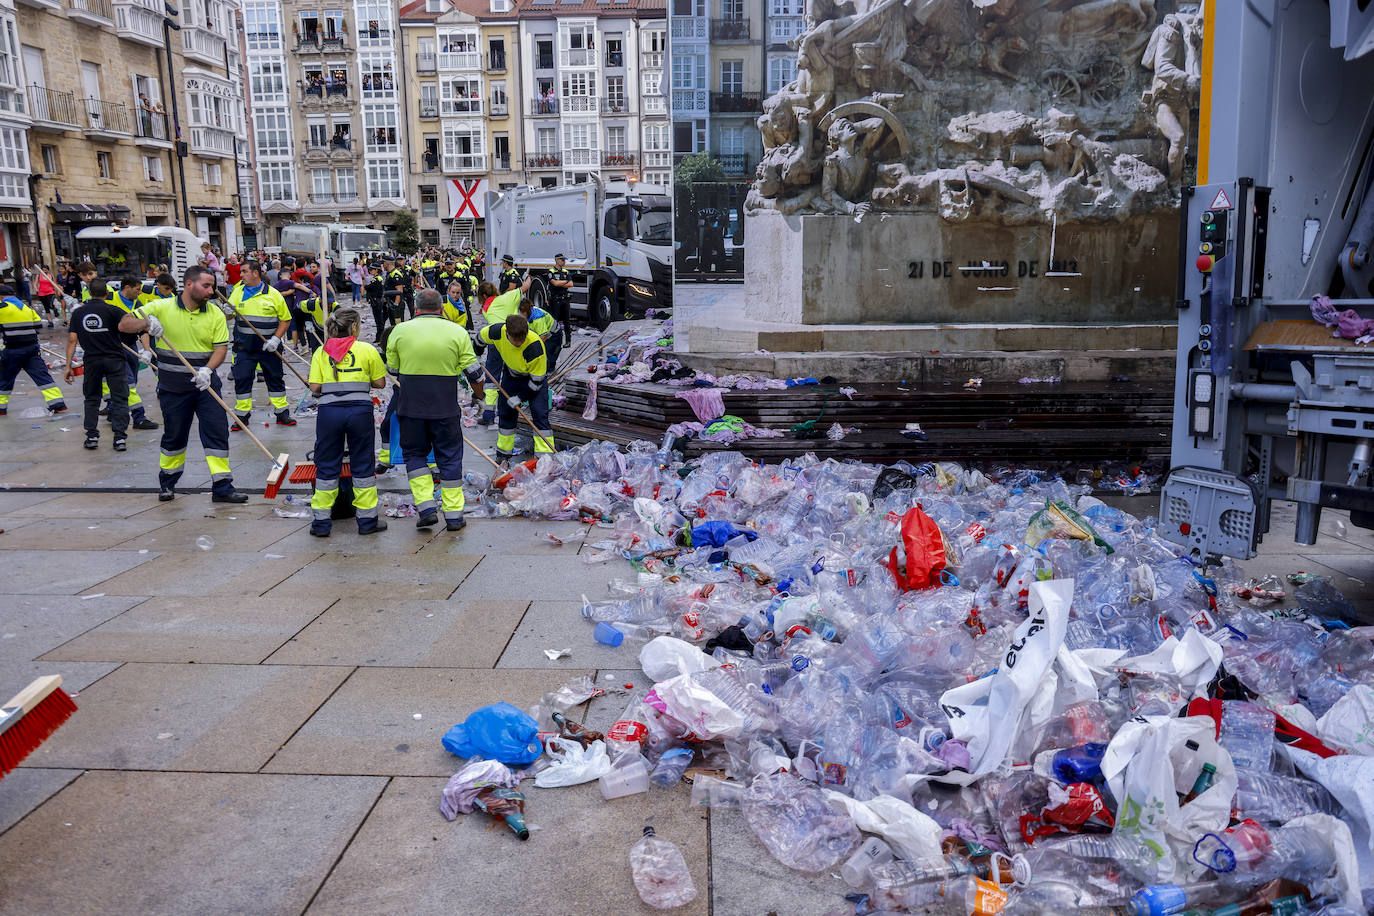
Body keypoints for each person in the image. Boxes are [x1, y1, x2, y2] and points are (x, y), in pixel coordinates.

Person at [118, 266, 246, 503]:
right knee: (174, 437)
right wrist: (146, 325)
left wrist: (208, 369)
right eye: (206, 286)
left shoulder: (215, 314)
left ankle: (222, 486)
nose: (211, 291)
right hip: (173, 388)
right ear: (188, 284)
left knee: (217, 434)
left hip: (205, 387)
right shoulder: (161, 307)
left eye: (212, 286)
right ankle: (167, 482)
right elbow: (124, 324)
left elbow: (220, 348)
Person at [385, 288, 484, 531]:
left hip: (410, 407)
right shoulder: (457, 332)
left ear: (415, 309)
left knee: (415, 454)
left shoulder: (400, 331)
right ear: (441, 308)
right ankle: (453, 516)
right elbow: (475, 373)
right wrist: (479, 398)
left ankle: (426, 507)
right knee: (449, 457)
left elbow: (393, 369)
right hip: (445, 408)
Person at [306, 306, 387, 537]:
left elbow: (314, 387)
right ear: (353, 327)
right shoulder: (366, 349)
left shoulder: (321, 352)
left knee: (327, 465)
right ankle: (367, 521)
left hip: (329, 413)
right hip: (359, 412)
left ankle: (321, 523)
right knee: (362, 464)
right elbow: (380, 383)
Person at [227, 259, 296, 428]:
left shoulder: (273, 294)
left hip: (269, 348)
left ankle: (282, 413)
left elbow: (285, 320)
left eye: (244, 271)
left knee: (275, 378)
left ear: (255, 273)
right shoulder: (237, 292)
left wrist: (276, 339)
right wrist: (227, 312)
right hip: (244, 347)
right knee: (242, 378)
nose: (241, 274)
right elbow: (229, 317)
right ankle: (242, 416)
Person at [478, 312, 554, 461]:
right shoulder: (496, 331)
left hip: (533, 379)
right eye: (516, 340)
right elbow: (479, 339)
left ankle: (545, 457)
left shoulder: (534, 346)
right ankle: (503, 454)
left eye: (522, 339)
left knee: (539, 414)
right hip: (511, 375)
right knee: (506, 413)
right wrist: (477, 354)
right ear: (507, 333)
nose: (519, 343)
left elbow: (536, 382)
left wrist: (521, 397)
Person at [65, 278, 129, 450]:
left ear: (90, 293)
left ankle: (92, 436)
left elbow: (72, 340)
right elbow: (128, 327)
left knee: (92, 398)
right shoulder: (115, 310)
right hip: (114, 359)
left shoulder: (78, 313)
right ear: (107, 294)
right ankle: (120, 438)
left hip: (92, 360)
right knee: (120, 398)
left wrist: (68, 365)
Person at [0, 283, 67, 416]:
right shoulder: (25, 307)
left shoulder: (2, 307)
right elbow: (37, 324)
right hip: (31, 349)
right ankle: (57, 404)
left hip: (13, 350)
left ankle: (1, 407)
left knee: (4, 378)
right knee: (42, 376)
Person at [103, 276, 160, 431]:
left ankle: (113, 410)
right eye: (137, 289)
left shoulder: (138, 304)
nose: (140, 293)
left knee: (131, 379)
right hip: (114, 347)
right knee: (129, 383)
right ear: (127, 287)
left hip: (130, 345)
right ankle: (139, 417)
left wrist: (147, 351)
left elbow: (142, 329)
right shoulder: (110, 298)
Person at [477, 274, 529, 425]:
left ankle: (489, 414)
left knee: (492, 377)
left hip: (495, 341)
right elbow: (526, 287)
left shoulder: (487, 307)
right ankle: (511, 407)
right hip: (512, 339)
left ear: (484, 295)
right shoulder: (508, 297)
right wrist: (528, 276)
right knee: (513, 374)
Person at [545, 253, 574, 374]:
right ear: (556, 260)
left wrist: (561, 282)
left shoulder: (566, 271)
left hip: (565, 299)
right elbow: (555, 284)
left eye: (564, 260)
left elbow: (571, 284)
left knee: (567, 320)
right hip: (555, 300)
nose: (564, 262)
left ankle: (568, 340)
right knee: (555, 320)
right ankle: (554, 338)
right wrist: (564, 282)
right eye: (562, 260)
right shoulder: (551, 271)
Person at [364, 261, 388, 338]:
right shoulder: (377, 278)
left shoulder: (377, 279)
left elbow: (368, 287)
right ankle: (379, 336)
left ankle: (379, 337)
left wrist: (367, 287)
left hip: (377, 301)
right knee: (379, 320)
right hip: (377, 301)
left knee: (379, 320)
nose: (370, 271)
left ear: (377, 270)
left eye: (372, 270)